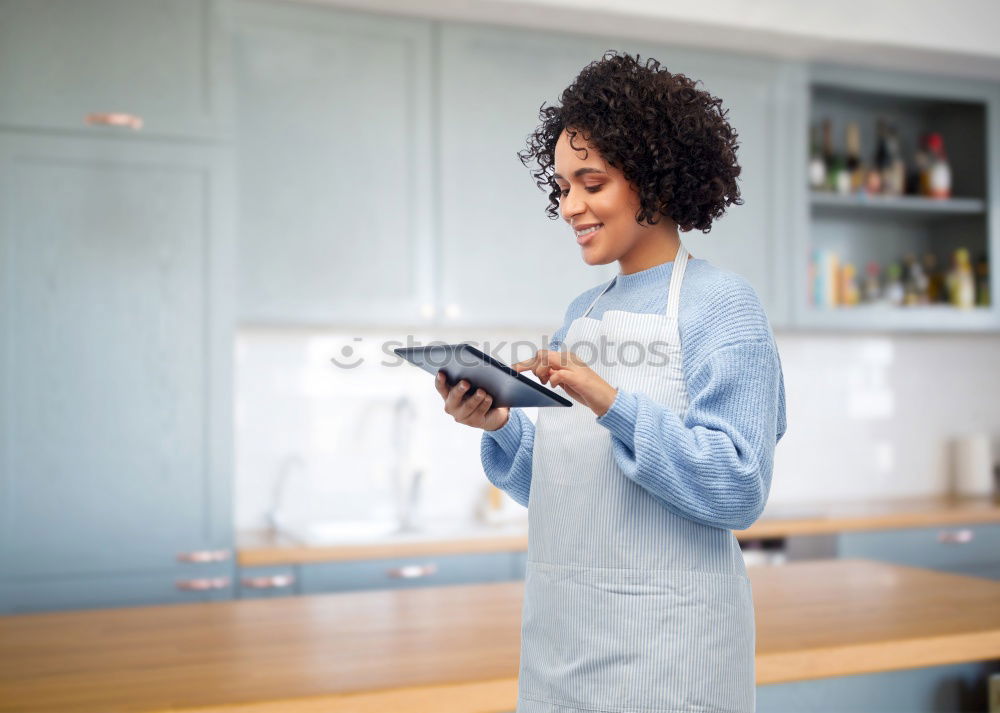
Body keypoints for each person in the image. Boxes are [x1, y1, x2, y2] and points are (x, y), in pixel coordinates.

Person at [435, 50, 786, 713]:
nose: (570, 206)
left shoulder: (722, 307)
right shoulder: (582, 313)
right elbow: (572, 487)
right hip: (565, 650)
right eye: (563, 186)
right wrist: (503, 423)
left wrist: (608, 399)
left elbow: (739, 485)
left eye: (591, 183)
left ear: (653, 179)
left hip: (671, 659)